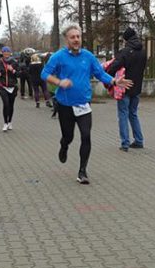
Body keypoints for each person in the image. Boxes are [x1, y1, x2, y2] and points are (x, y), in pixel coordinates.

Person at [42, 25, 133, 184]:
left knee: (86, 136)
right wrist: (59, 82)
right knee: (68, 136)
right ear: (67, 39)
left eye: (78, 36)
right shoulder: (58, 56)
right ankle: (64, 146)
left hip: (84, 104)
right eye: (73, 37)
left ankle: (82, 171)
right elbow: (44, 74)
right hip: (65, 105)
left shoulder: (88, 56)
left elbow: (100, 73)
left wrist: (113, 81)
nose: (76, 40)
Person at [107, 27, 147, 150]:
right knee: (133, 114)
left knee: (123, 114)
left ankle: (125, 143)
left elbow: (113, 67)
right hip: (137, 87)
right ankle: (139, 140)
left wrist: (109, 76)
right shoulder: (143, 52)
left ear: (126, 39)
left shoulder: (124, 52)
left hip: (123, 87)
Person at [0, 46, 19, 131]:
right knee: (6, 104)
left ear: (10, 53)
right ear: (2, 53)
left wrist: (12, 70)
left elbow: (19, 74)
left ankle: (10, 122)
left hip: (13, 86)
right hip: (2, 86)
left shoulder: (14, 62)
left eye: (8, 52)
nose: (6, 53)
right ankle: (5, 123)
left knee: (11, 105)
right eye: (4, 52)